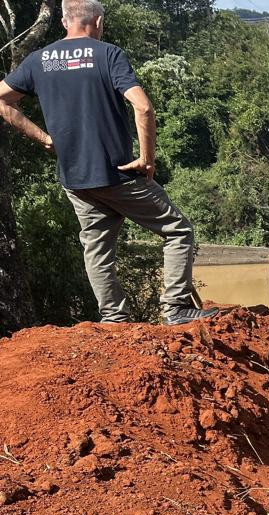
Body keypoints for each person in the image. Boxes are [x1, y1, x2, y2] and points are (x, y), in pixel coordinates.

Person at [0, 0, 216, 325]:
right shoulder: (107, 54)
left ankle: (115, 319)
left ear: (63, 21)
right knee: (177, 229)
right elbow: (142, 108)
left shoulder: (37, 60)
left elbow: (2, 99)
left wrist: (45, 139)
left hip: (74, 177)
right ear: (98, 21)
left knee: (96, 246)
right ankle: (176, 309)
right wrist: (146, 159)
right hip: (118, 174)